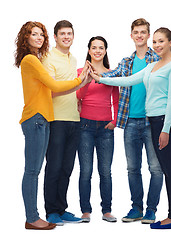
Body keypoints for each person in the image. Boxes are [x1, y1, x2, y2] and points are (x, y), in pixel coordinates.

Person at [91, 27, 171, 229]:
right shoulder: (153, 66)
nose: (158, 45)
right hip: (151, 121)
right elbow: (127, 80)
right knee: (159, 169)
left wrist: (166, 129)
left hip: (162, 122)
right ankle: (165, 214)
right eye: (156, 42)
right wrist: (100, 79)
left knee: (169, 171)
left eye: (161, 41)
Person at [15, 21, 88, 230]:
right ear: (26, 38)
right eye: (33, 34)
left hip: (43, 118)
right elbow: (54, 86)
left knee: (39, 170)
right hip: (36, 118)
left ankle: (41, 215)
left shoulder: (36, 59)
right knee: (33, 171)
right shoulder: (32, 60)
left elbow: (48, 90)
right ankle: (32, 217)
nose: (38, 38)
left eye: (40, 35)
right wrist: (79, 81)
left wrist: (79, 92)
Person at [99, 18, 163, 224]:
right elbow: (113, 75)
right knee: (133, 168)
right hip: (130, 122)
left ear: (148, 35)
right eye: (136, 32)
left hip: (152, 121)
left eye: (143, 32)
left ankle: (151, 209)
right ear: (131, 35)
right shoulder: (127, 62)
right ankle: (136, 208)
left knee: (155, 168)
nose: (139, 35)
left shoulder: (158, 59)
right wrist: (93, 73)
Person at [43, 20, 88, 226]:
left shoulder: (73, 59)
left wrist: (81, 91)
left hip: (74, 119)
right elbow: (51, 91)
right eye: (62, 34)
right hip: (56, 120)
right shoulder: (47, 57)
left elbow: (73, 89)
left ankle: (62, 209)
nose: (66, 37)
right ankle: (51, 211)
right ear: (55, 37)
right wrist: (79, 82)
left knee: (67, 168)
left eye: (69, 33)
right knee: (54, 167)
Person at [77, 36, 119, 222]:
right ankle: (85, 210)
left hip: (105, 127)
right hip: (84, 125)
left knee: (105, 171)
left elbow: (117, 99)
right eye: (94, 47)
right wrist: (86, 77)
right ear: (89, 50)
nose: (97, 50)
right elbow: (78, 96)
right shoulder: (80, 71)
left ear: (105, 51)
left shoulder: (111, 74)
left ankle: (107, 210)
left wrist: (115, 120)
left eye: (101, 47)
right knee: (86, 170)